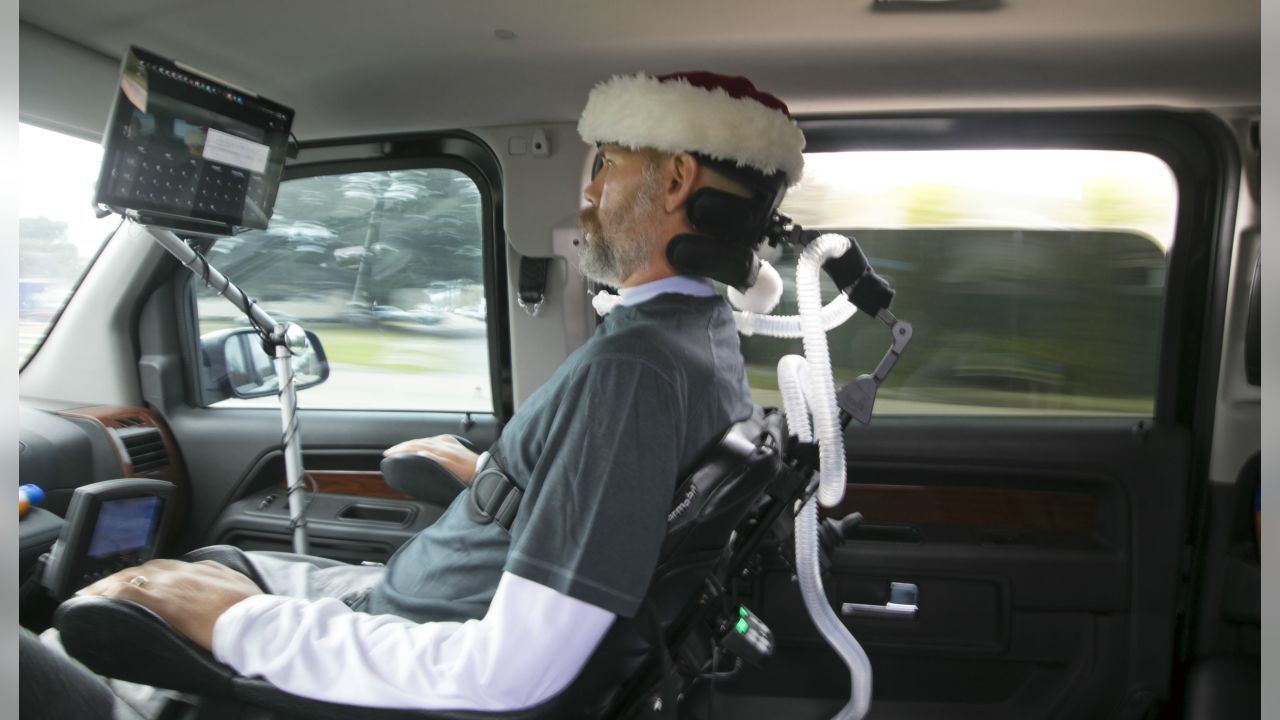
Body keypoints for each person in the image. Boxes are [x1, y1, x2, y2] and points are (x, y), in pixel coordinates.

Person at [43, 70, 808, 715]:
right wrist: (500, 478)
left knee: (77, 636)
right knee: (216, 555)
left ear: (675, 181)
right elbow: (614, 494)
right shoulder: (697, 333)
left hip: (421, 635)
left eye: (607, 161)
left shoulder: (634, 371)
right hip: (429, 597)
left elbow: (507, 674)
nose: (591, 190)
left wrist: (243, 624)